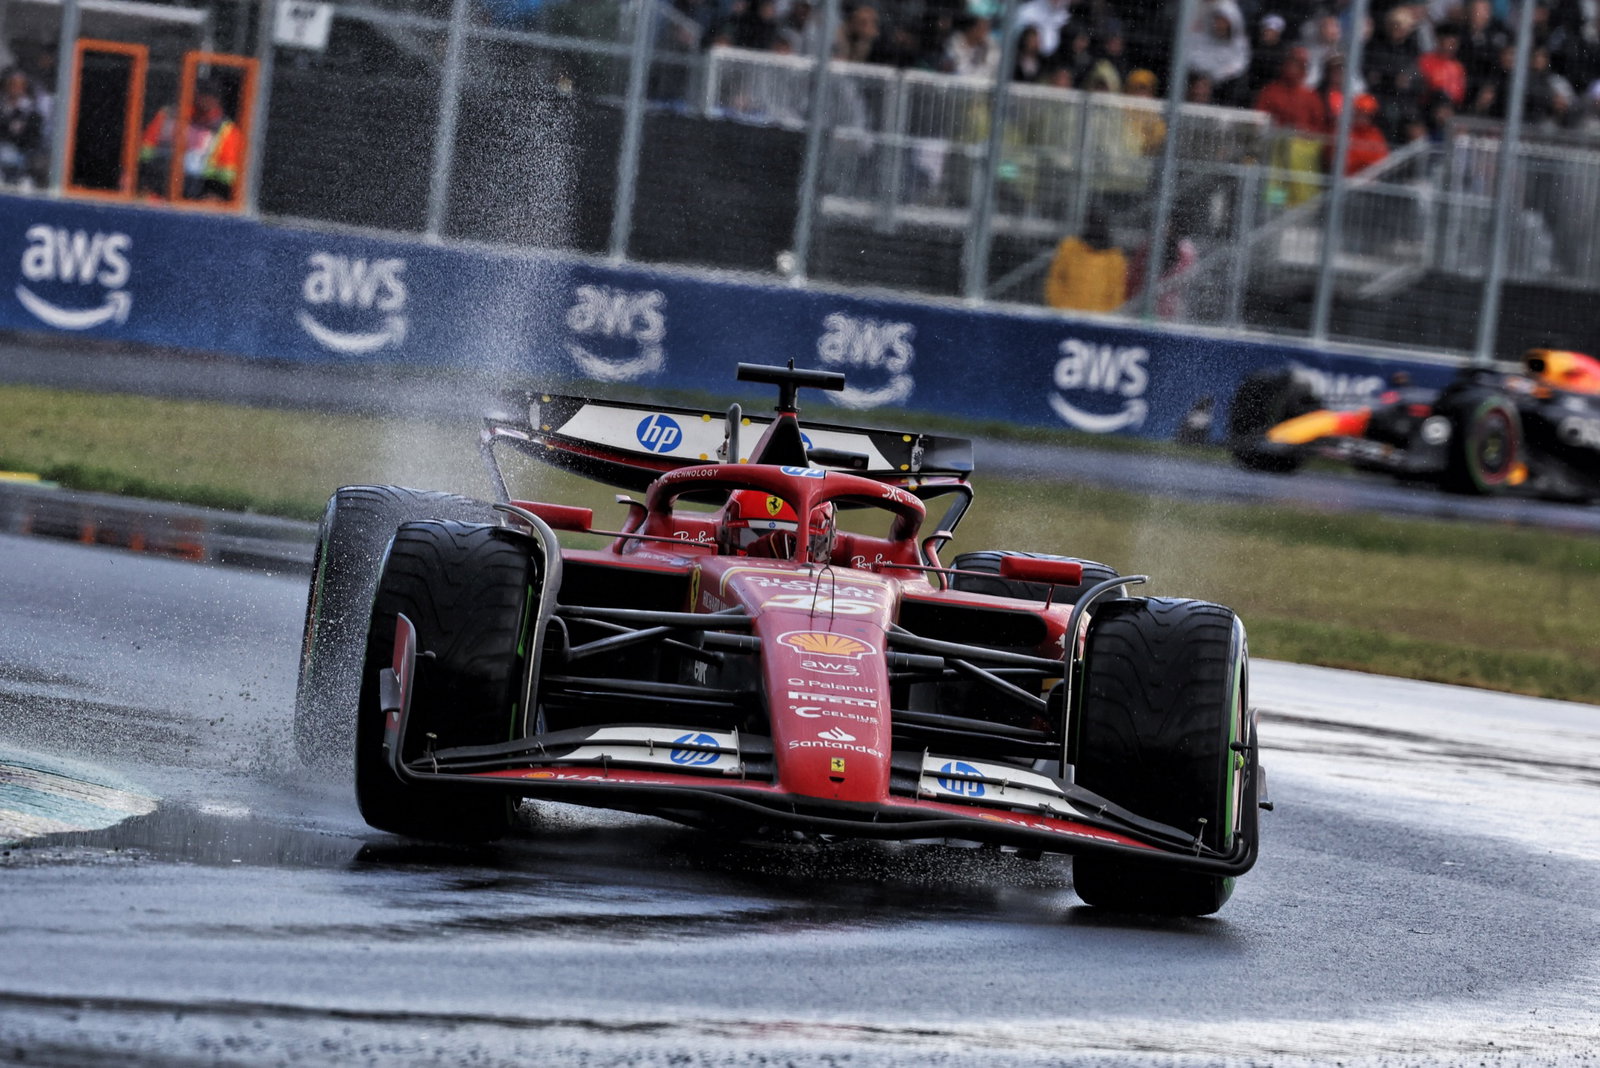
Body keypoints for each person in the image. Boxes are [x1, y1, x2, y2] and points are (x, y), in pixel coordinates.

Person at [139, 81, 244, 201]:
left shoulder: (227, 131)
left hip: (200, 199)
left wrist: (214, 197)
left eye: (210, 96)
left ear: (217, 101)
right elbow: (144, 154)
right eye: (202, 94)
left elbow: (227, 176)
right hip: (157, 191)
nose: (205, 100)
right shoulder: (167, 116)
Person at [1043, 212, 1128, 313]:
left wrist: (1106, 315)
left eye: (1100, 226)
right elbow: (1055, 280)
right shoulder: (1070, 248)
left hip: (1097, 316)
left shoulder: (1114, 258)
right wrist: (1059, 306)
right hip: (1067, 313)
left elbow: (1116, 293)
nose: (1097, 230)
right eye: (1094, 225)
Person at [1187, 0, 1252, 106]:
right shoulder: (1202, 30)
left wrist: (1215, 77)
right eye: (1218, 21)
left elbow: (1239, 63)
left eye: (1223, 22)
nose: (1220, 25)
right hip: (1198, 75)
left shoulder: (1237, 45)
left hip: (1224, 85)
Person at [0, 68, 44, 189]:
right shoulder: (3, 108)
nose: (15, 88)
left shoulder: (32, 112)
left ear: (25, 87)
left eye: (19, 85)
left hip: (23, 155)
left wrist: (18, 137)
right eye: (12, 85)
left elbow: (34, 137)